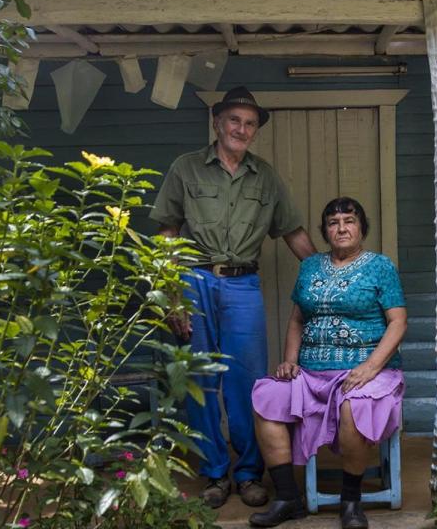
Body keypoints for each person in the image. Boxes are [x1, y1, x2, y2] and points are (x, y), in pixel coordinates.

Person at [149, 86, 317, 510]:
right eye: (234, 120)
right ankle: (213, 474)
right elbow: (166, 233)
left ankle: (247, 474)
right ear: (217, 122)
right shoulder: (185, 169)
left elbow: (293, 232)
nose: (241, 128)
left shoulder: (266, 176)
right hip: (194, 281)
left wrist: (324, 274)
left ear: (255, 130)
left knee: (248, 382)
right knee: (201, 382)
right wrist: (171, 296)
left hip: (243, 285)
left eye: (249, 123)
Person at [249, 197, 407, 529]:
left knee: (355, 405)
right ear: (325, 231)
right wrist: (290, 361)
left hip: (366, 370)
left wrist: (370, 367)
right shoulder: (309, 267)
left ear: (362, 227)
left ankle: (351, 501)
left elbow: (397, 322)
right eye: (333, 223)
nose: (342, 228)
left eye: (349, 220)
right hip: (311, 373)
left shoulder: (381, 266)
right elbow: (296, 320)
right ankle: (288, 497)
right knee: (266, 398)